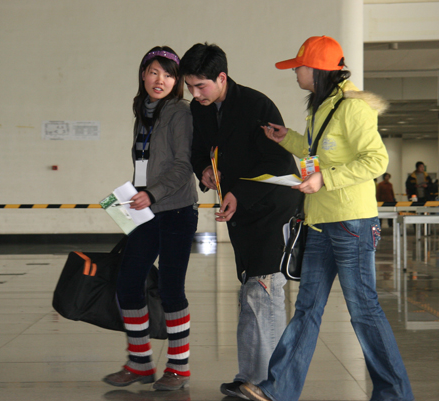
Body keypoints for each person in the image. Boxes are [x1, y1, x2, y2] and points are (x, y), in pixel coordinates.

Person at [240, 36, 414, 401]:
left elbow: (376, 160)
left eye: (299, 67)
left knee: (364, 311)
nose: (295, 73)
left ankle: (396, 394)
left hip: (352, 224)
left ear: (317, 70)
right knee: (307, 308)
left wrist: (325, 179)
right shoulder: (321, 108)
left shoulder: (353, 108)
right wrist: (287, 138)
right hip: (319, 223)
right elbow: (318, 152)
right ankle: (278, 390)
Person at [179, 43, 300, 400]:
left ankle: (269, 385)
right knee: (250, 292)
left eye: (201, 86)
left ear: (221, 77)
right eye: (190, 87)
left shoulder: (256, 105)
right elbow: (198, 151)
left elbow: (278, 163)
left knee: (266, 291)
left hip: (272, 207)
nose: (195, 94)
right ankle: (249, 377)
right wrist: (204, 170)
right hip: (241, 211)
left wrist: (239, 193)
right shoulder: (200, 110)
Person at [102, 46, 198, 391]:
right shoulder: (142, 111)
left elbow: (183, 165)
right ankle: (140, 363)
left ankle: (179, 367)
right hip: (145, 209)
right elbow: (145, 163)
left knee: (171, 289)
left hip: (176, 210)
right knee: (128, 283)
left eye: (169, 75)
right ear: (143, 74)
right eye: (154, 72)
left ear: (177, 81)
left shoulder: (180, 112)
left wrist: (153, 192)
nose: (161, 80)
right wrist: (137, 195)